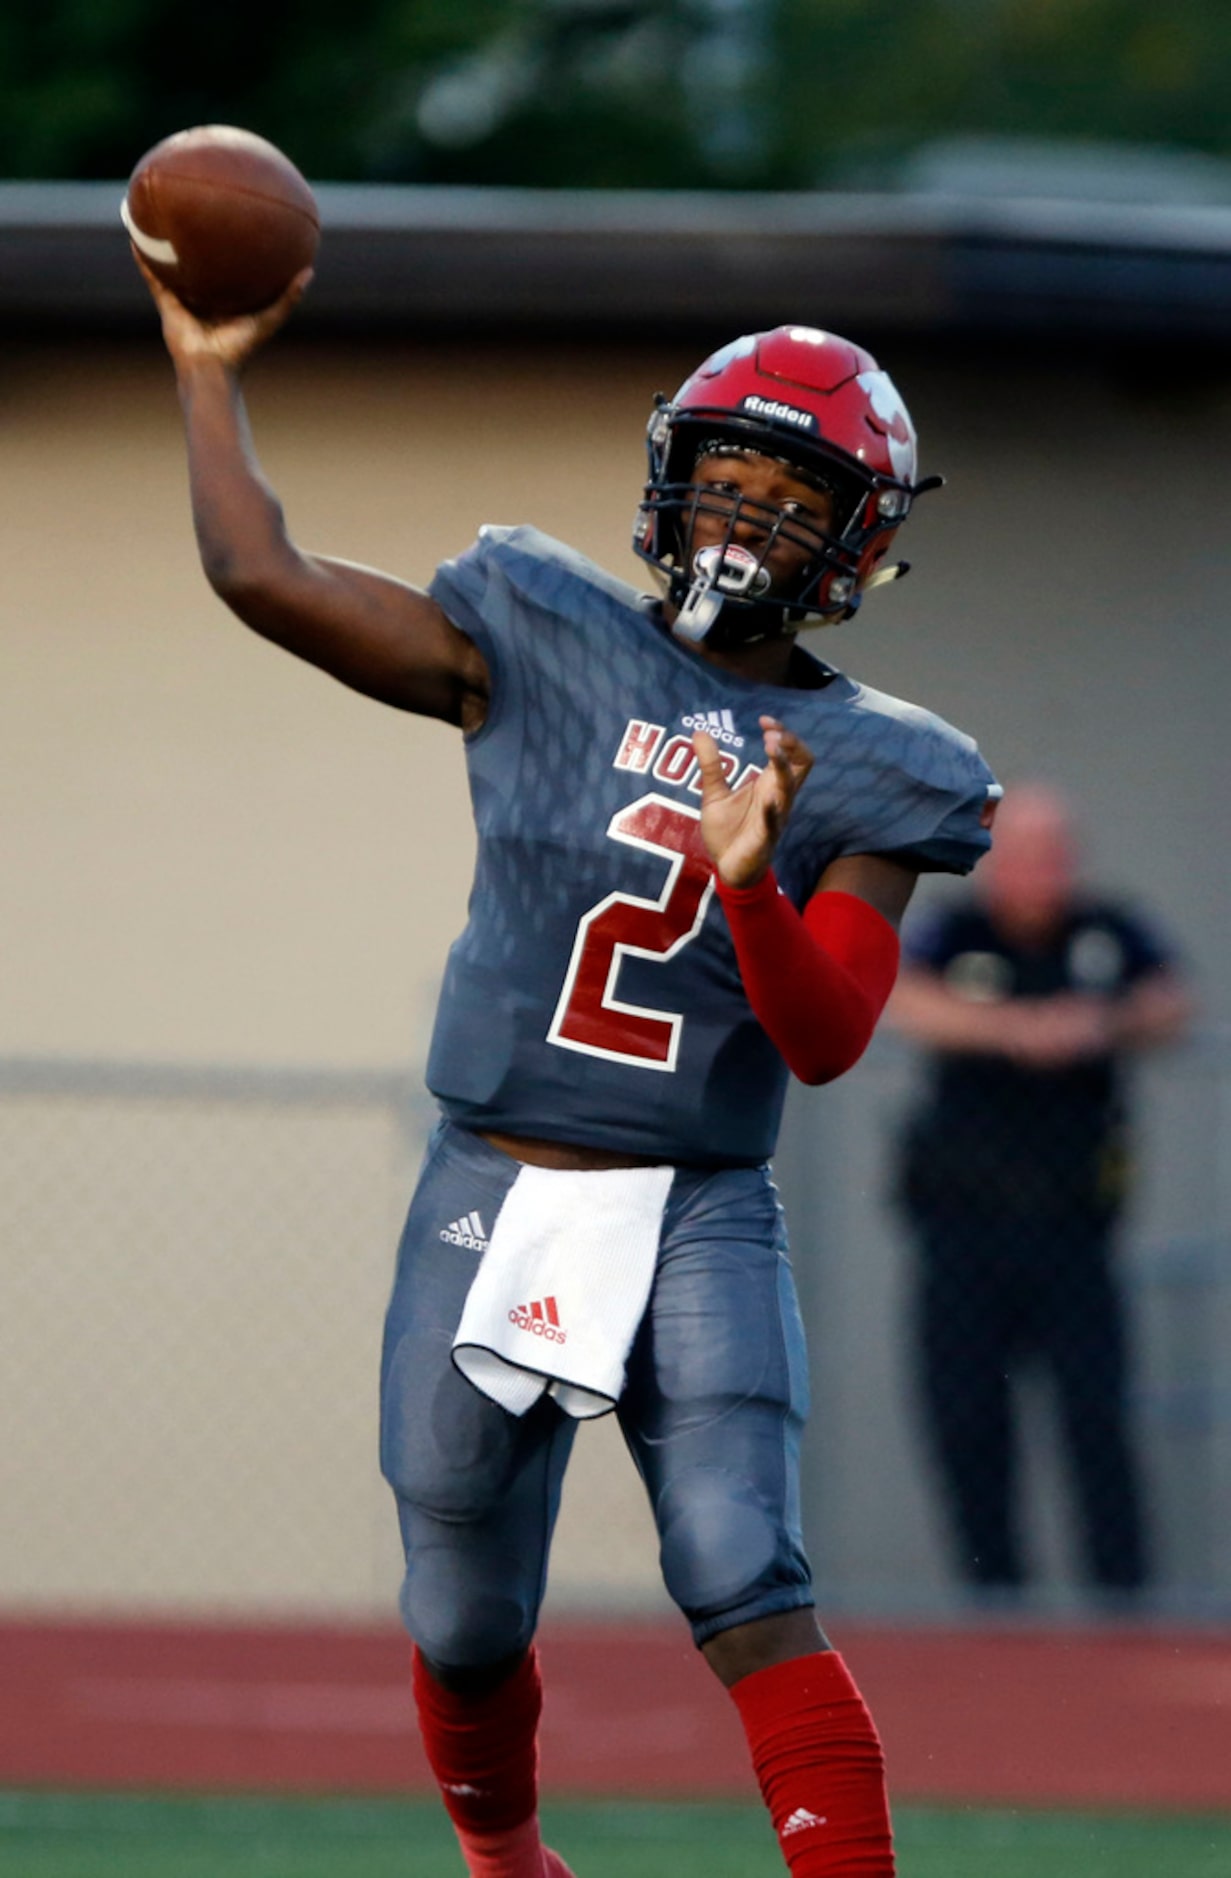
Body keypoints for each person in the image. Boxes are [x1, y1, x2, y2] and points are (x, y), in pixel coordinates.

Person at [132, 239, 999, 1878]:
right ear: (667, 479)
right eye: (724, 479)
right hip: (494, 1172)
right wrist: (203, 360)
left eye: (788, 496)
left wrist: (753, 878)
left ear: (855, 545)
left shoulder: (883, 767)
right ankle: (511, 1864)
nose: (743, 520)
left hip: (695, 1202)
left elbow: (824, 1038)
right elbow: (263, 574)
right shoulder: (535, 630)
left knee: (746, 1565)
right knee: (462, 1611)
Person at [887, 783, 1193, 1600]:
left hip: (1073, 1231)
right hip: (960, 1227)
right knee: (964, 1421)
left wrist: (1101, 1024)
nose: (1040, 871)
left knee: (1095, 1418)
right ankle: (995, 1600)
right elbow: (899, 997)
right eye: (1023, 854)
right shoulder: (955, 930)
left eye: (1053, 854)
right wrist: (1012, 1031)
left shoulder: (1109, 929)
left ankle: (1119, 1602)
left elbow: (1172, 1001)